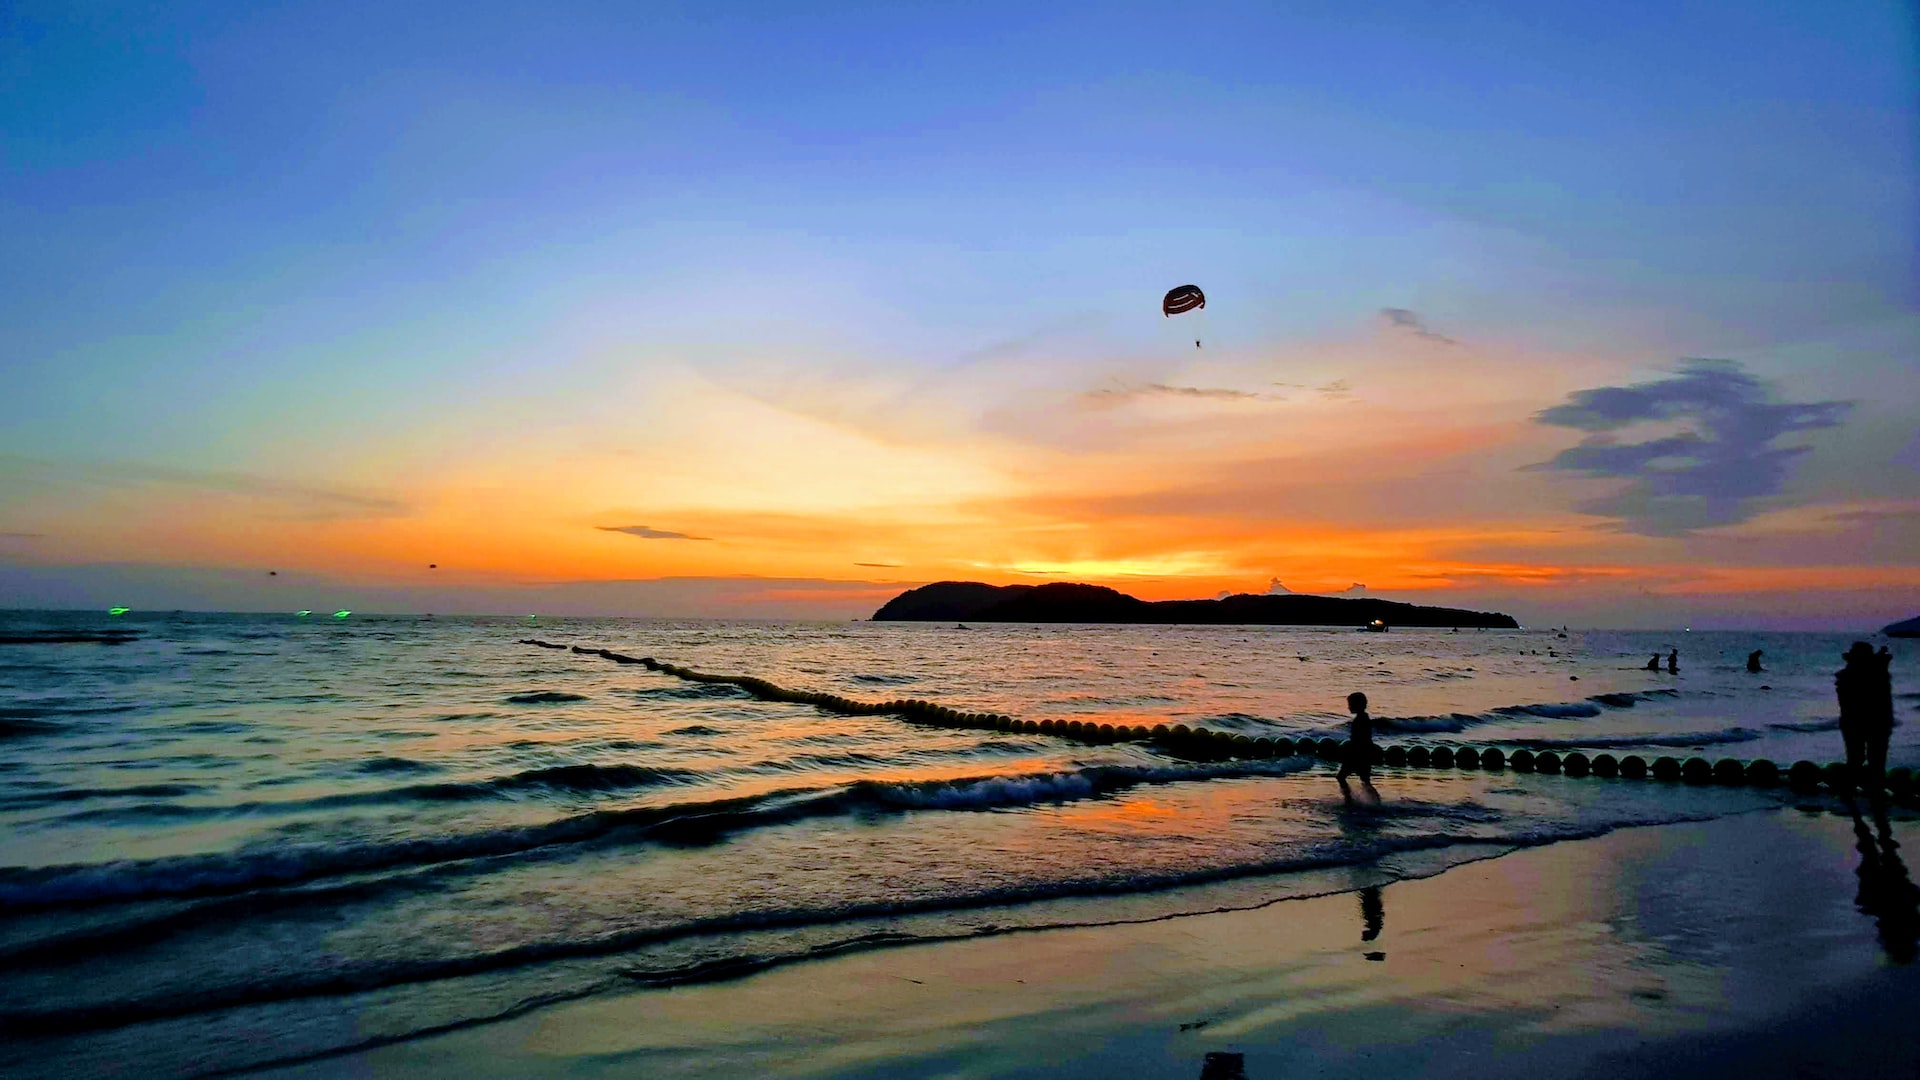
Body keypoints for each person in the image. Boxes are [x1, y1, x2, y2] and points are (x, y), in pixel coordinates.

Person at [1836, 641, 1894, 791]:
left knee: (1857, 759)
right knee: (1875, 760)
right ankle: (1871, 792)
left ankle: (1851, 791)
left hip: (1856, 722)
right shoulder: (1877, 673)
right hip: (1874, 722)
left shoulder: (1847, 676)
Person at [1336, 691, 1377, 804]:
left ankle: (1348, 799)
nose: (1349, 707)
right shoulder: (1364, 718)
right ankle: (1376, 801)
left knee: (1341, 777)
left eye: (1350, 704)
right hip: (1364, 753)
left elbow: (1359, 739)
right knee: (1365, 780)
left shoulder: (1360, 720)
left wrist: (1349, 752)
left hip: (1358, 753)